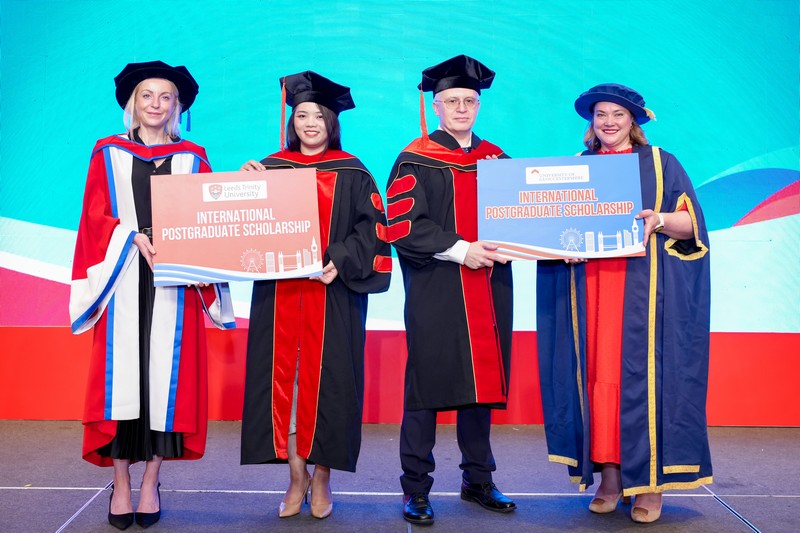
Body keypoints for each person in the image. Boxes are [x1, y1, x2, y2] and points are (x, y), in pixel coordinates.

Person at [69, 60, 236, 530]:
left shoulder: (193, 157)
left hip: (174, 284)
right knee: (124, 385)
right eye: (147, 95)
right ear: (132, 103)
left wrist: (242, 186)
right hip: (122, 279)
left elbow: (208, 220)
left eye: (166, 97)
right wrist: (131, 237)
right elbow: (94, 218)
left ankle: (150, 483)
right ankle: (121, 482)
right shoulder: (107, 153)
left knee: (166, 387)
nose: (156, 104)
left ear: (177, 106)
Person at [536, 83, 712, 524]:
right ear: (591, 121)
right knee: (599, 377)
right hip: (591, 290)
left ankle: (648, 483)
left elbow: (692, 225)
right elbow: (551, 230)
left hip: (642, 292)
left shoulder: (660, 163)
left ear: (633, 120)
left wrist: (659, 220)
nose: (609, 122)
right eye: (601, 114)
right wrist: (560, 246)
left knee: (642, 381)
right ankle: (611, 478)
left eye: (617, 114)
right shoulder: (576, 167)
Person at [240, 70, 391, 520]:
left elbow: (374, 230)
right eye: (302, 115)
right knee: (285, 385)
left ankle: (322, 478)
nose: (310, 123)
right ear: (292, 120)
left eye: (318, 116)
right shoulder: (270, 169)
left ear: (331, 122)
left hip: (334, 295)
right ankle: (295, 476)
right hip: (280, 297)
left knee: (330, 386)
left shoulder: (353, 171)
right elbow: (239, 229)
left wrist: (340, 260)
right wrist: (243, 186)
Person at [384, 55, 516, 526]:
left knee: (481, 385)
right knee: (426, 387)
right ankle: (416, 488)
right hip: (437, 287)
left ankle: (478, 480)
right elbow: (403, 227)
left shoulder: (498, 160)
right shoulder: (415, 159)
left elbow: (523, 218)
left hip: (491, 286)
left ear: (478, 106)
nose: (462, 108)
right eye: (452, 100)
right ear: (435, 106)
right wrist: (462, 250)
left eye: (469, 101)